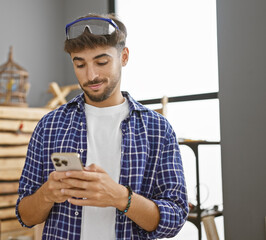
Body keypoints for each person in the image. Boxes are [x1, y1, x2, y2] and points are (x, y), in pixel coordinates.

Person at [16, 13, 188, 240]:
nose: (91, 75)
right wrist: (47, 194)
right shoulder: (50, 125)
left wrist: (120, 197)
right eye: (80, 64)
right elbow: (25, 216)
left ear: (124, 56)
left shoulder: (157, 129)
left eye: (102, 62)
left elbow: (175, 218)